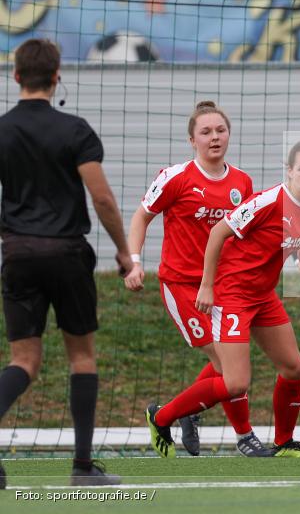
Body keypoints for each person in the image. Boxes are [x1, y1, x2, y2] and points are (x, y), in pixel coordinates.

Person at [144, 139, 300, 459]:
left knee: (294, 368)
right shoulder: (266, 201)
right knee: (235, 382)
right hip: (233, 296)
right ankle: (161, 417)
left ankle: (284, 444)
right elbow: (218, 234)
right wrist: (208, 286)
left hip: (263, 296)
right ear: (290, 170)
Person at [0, 38, 132, 487]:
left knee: (25, 360)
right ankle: (81, 468)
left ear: (15, 76)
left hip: (17, 252)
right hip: (66, 253)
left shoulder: (1, 130)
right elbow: (102, 199)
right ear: (57, 77)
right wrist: (124, 250)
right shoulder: (76, 130)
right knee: (81, 357)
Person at [124, 101, 271, 457]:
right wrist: (134, 262)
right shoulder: (176, 178)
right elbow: (140, 218)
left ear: (229, 135)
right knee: (226, 364)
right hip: (182, 285)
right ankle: (245, 437)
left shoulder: (241, 182)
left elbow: (245, 231)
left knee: (228, 363)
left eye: (220, 130)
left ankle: (176, 413)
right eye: (206, 132)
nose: (214, 137)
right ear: (192, 140)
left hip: (225, 285)